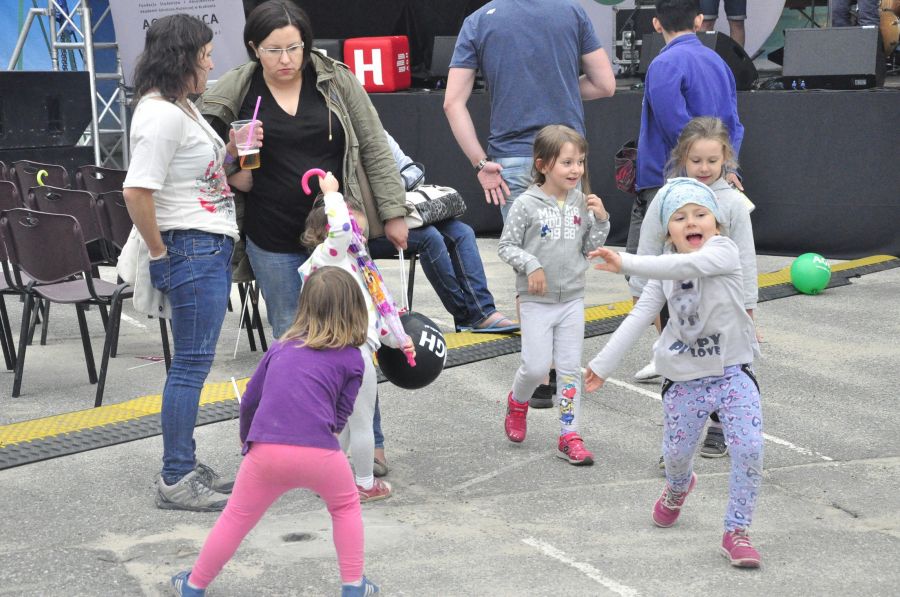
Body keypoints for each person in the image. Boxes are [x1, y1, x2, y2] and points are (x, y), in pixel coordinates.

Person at [198, 0, 408, 339]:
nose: (285, 59)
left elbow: (374, 145)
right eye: (273, 50)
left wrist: (394, 213)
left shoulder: (335, 79)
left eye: (294, 48)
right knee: (290, 332)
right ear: (254, 48)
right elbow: (202, 165)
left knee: (350, 329)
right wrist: (231, 162)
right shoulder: (236, 89)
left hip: (335, 231)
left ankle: (353, 392)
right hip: (271, 234)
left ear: (306, 44)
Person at [585, 177, 763, 568]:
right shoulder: (664, 272)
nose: (691, 221)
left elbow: (688, 264)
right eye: (680, 217)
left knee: (750, 448)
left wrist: (625, 262)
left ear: (715, 223)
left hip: (733, 373)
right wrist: (601, 365)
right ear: (668, 230)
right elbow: (639, 316)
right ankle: (678, 488)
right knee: (677, 457)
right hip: (683, 380)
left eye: (701, 214)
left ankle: (737, 531)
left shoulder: (723, 252)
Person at [170, 266, 380, 597]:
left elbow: (250, 400)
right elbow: (342, 413)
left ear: (305, 305)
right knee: (345, 508)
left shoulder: (281, 348)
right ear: (355, 308)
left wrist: (246, 437)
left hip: (265, 450)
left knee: (236, 517)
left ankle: (194, 584)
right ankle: (354, 586)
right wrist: (326, 438)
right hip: (321, 452)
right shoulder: (353, 358)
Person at [123, 14, 240, 512]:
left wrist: (231, 153)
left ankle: (183, 464)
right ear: (183, 58)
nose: (212, 63)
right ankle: (176, 476)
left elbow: (194, 176)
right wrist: (159, 252)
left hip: (201, 245)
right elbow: (136, 190)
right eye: (206, 54)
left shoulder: (178, 107)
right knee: (190, 368)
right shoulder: (162, 115)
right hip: (190, 248)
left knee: (192, 364)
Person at [632, 117, 758, 463]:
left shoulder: (733, 202)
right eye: (696, 160)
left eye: (713, 161)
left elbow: (745, 257)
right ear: (682, 158)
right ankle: (677, 442)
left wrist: (748, 307)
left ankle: (719, 427)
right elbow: (649, 245)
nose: (704, 168)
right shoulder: (666, 196)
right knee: (676, 368)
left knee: (724, 366)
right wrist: (640, 290)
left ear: (726, 159)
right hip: (677, 301)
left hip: (722, 307)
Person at [497, 125, 610, 465]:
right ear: (543, 165)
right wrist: (531, 265)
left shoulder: (581, 202)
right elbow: (506, 246)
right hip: (536, 302)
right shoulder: (526, 205)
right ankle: (518, 402)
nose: (576, 170)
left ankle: (569, 434)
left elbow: (590, 247)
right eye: (567, 163)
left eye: (580, 162)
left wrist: (601, 220)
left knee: (569, 370)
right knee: (534, 369)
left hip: (572, 299)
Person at [299, 173, 416, 502]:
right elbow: (342, 230)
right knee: (361, 423)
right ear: (329, 231)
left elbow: (374, 317)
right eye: (356, 231)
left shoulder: (356, 266)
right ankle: (364, 484)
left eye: (362, 233)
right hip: (350, 356)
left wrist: (397, 339)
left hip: (336, 355)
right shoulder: (328, 257)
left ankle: (327, 479)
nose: (360, 238)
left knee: (346, 425)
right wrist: (332, 195)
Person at [443, 0, 616, 220]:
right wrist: (559, 88)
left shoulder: (478, 20)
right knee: (568, 245)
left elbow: (452, 103)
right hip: (564, 154)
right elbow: (605, 84)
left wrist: (480, 163)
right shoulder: (572, 11)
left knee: (522, 249)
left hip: (511, 155)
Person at [629, 0, 744, 268]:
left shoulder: (663, 64)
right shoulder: (718, 61)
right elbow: (734, 124)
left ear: (656, 24)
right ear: (698, 20)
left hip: (667, 179)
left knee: (643, 271)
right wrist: (726, 167)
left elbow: (675, 127)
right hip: (712, 178)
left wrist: (695, 167)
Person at [368, 131, 518, 333]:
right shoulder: (345, 139)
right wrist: (388, 191)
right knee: (430, 238)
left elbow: (414, 172)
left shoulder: (378, 133)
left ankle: (483, 312)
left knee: (463, 232)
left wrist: (390, 188)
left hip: (402, 213)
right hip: (369, 226)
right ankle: (468, 316)